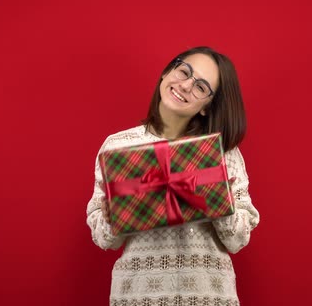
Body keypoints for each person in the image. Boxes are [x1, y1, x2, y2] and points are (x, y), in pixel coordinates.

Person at [86, 46, 260, 306]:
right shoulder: (118, 146)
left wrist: (218, 201)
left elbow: (237, 240)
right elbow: (103, 239)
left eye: (201, 87)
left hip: (208, 297)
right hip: (138, 296)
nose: (187, 85)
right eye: (184, 72)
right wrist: (112, 217)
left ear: (206, 107)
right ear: (167, 72)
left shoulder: (223, 153)